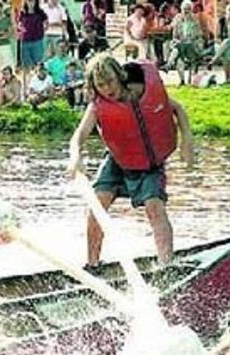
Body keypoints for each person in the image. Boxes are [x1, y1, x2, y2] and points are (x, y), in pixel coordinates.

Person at [67, 54, 194, 267]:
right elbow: (78, 137)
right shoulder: (97, 106)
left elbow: (177, 108)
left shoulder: (140, 91)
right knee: (97, 205)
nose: (107, 88)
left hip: (149, 163)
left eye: (110, 81)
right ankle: (93, 264)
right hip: (118, 160)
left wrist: (187, 141)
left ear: (120, 76)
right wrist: (75, 159)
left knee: (155, 208)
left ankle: (166, 265)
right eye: (101, 85)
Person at [163, 0, 203, 86]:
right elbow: (174, 35)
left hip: (192, 48)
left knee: (179, 48)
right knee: (178, 51)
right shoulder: (178, 19)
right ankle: (182, 81)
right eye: (184, 9)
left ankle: (168, 65)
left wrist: (191, 40)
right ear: (181, 9)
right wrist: (176, 40)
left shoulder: (195, 19)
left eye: (188, 9)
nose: (186, 11)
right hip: (181, 47)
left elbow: (199, 35)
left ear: (191, 10)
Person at [207, 4, 230, 83]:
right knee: (226, 51)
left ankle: (213, 60)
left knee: (228, 41)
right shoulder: (221, 21)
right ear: (226, 12)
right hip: (224, 47)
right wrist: (220, 42)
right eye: (229, 10)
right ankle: (228, 79)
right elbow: (217, 36)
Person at [18, 0, 48, 91]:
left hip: (37, 41)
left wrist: (42, 31)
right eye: (29, 1)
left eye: (32, 1)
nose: (31, 3)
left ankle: (38, 88)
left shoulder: (40, 12)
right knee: (26, 67)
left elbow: (46, 23)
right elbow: (19, 24)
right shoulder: (22, 12)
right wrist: (21, 29)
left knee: (38, 64)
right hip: (25, 41)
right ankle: (26, 88)